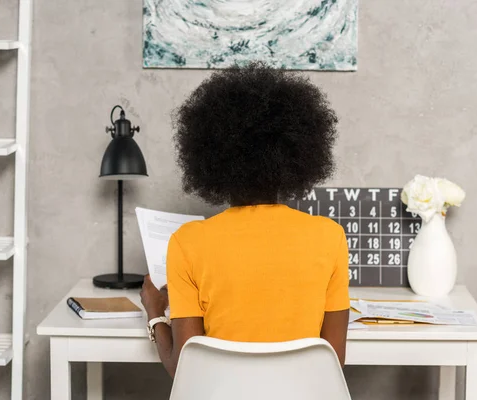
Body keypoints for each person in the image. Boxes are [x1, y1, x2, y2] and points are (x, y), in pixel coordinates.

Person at [140, 61, 349, 378]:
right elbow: (333, 365)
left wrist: (155, 312)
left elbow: (183, 371)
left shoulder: (188, 242)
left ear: (211, 161)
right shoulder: (329, 236)